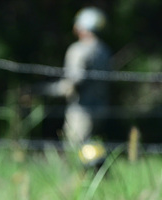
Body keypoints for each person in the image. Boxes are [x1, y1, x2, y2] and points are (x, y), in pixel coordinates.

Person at [40, 7, 112, 157]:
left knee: (74, 153)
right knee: (93, 150)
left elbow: (72, 83)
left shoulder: (78, 50)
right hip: (102, 109)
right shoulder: (104, 50)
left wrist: (42, 91)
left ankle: (79, 179)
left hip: (80, 111)